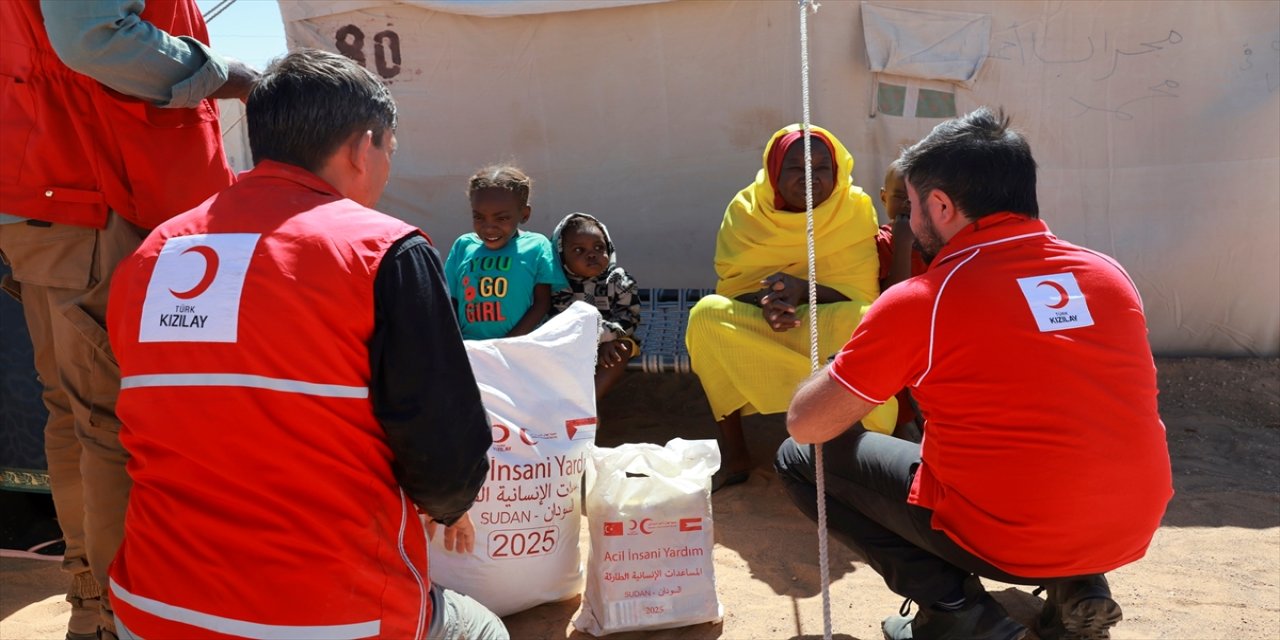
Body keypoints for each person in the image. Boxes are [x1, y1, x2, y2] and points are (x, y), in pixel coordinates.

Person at [104, 49, 507, 640]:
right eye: (389, 151)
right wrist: (449, 507)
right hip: (333, 616)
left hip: (152, 609)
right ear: (361, 146)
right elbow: (445, 451)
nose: (387, 168)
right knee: (484, 632)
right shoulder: (383, 249)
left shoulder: (153, 254)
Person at [776, 107, 1173, 640]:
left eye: (911, 206)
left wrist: (838, 363)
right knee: (1059, 440)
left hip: (1010, 539)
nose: (909, 221)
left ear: (940, 205)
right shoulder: (1107, 274)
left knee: (800, 458)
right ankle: (1080, 588)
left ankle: (957, 611)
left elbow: (807, 423)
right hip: (1129, 526)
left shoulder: (925, 300)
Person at [0, 1, 256, 636]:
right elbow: (91, 37)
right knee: (111, 418)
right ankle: (124, 613)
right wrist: (231, 76)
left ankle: (97, 603)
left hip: (59, 197)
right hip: (101, 194)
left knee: (77, 412)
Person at [684, 124, 897, 491]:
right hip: (764, 323)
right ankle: (735, 453)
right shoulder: (745, 211)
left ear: (838, 171)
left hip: (830, 318)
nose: (811, 178)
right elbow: (735, 287)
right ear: (774, 173)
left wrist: (804, 292)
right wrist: (766, 303)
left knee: (867, 321)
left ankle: (852, 447)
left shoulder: (855, 208)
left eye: (821, 168)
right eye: (796, 168)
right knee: (705, 316)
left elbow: (863, 294)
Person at [444, 165, 568, 340]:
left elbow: (542, 303)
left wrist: (506, 345)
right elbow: (451, 301)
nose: (488, 227)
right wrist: (456, 344)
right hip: (471, 350)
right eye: (479, 217)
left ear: (524, 214)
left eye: (501, 218)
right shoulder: (463, 246)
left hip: (518, 351)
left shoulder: (537, 246)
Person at [549, 212, 642, 398]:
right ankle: (563, 403)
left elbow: (629, 318)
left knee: (620, 350)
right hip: (571, 341)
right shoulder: (559, 285)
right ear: (561, 254)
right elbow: (562, 320)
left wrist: (607, 339)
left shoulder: (618, 280)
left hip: (612, 338)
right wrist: (591, 343)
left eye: (599, 247)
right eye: (578, 250)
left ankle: (590, 405)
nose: (591, 255)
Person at [875, 159, 930, 441]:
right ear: (883, 197)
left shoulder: (938, 243)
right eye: (899, 197)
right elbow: (891, 300)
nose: (908, 206)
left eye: (916, 199)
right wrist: (903, 245)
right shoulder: (880, 242)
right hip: (898, 342)